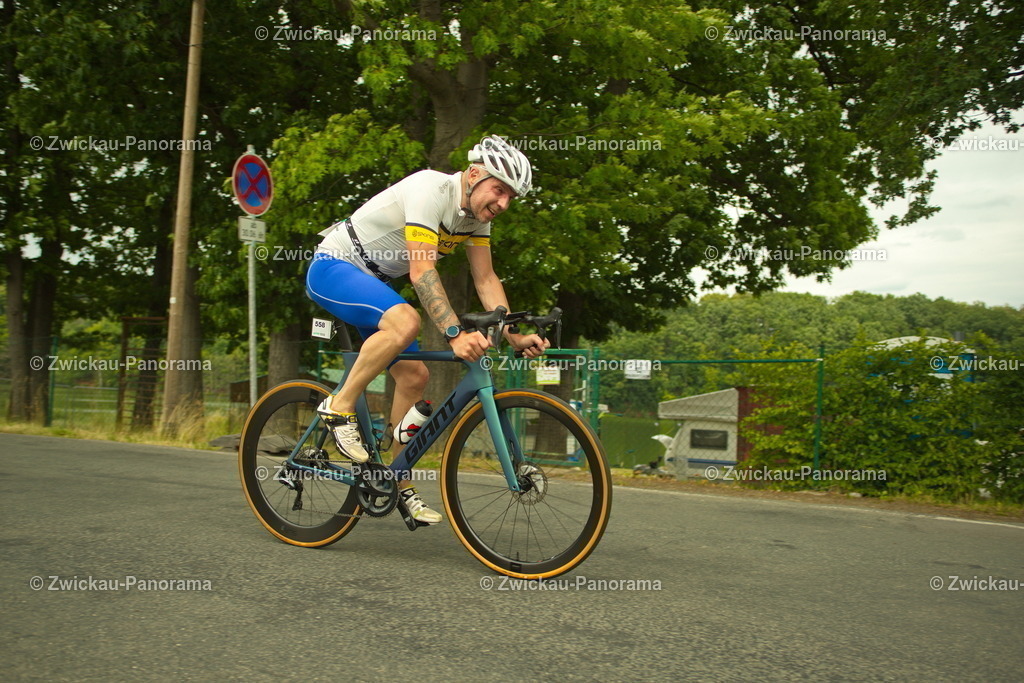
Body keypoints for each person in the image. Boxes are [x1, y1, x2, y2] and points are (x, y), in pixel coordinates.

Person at [304, 135, 550, 524]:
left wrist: (512, 333)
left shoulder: (475, 217)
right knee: (407, 320)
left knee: (415, 376)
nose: (503, 203)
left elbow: (486, 280)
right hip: (334, 267)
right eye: (499, 190)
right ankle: (338, 406)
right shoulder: (429, 189)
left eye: (510, 198)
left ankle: (393, 480)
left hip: (375, 285)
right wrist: (455, 333)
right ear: (473, 175)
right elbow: (422, 271)